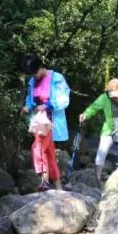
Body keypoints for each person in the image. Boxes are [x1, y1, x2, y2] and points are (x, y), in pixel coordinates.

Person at [21, 53, 70, 190]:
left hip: (50, 122)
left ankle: (45, 181)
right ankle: (59, 187)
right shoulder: (32, 81)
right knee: (48, 153)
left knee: (38, 148)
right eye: (31, 74)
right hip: (39, 122)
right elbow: (31, 101)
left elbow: (64, 99)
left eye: (35, 72)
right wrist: (27, 107)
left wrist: (47, 105)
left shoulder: (56, 78)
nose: (34, 76)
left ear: (41, 66)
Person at [80, 79, 118, 183]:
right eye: (113, 95)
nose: (116, 98)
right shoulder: (104, 98)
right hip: (109, 129)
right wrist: (86, 114)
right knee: (101, 153)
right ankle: (97, 180)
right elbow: (93, 108)